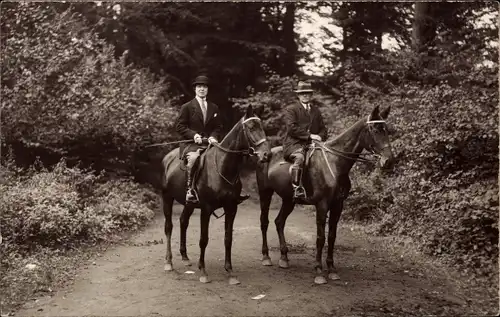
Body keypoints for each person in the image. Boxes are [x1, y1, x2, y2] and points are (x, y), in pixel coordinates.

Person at [175, 75, 250, 204]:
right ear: (195, 89)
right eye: (199, 86)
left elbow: (218, 126)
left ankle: (235, 190)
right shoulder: (187, 107)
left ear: (207, 89)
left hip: (210, 144)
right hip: (192, 144)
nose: (202, 89)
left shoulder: (214, 107)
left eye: (204, 87)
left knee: (230, 159)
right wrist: (194, 135)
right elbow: (180, 126)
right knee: (193, 159)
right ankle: (190, 190)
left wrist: (213, 137)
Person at [282, 80, 328, 201]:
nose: (305, 95)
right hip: (294, 144)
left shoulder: (316, 110)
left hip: (314, 145)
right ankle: (296, 188)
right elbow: (292, 128)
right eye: (303, 93)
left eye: (308, 93)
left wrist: (320, 137)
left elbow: (323, 128)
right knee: (300, 158)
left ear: (311, 95)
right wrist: (310, 136)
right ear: (298, 95)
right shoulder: (291, 109)